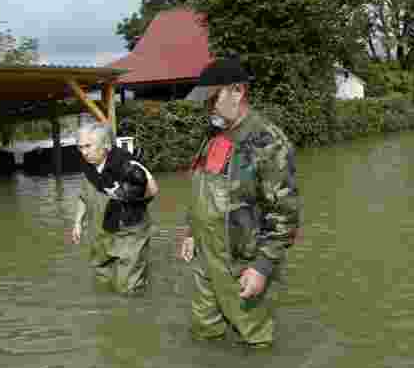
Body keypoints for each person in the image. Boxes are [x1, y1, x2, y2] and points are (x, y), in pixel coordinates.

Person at [178, 57, 301, 347]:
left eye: (213, 98)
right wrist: (191, 231)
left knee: (254, 339)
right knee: (204, 333)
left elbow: (285, 215)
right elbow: (200, 187)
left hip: (242, 265)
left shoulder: (268, 142)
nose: (207, 107)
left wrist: (261, 266)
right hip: (205, 259)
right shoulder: (212, 135)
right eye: (204, 100)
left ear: (238, 91)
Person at [72, 121, 159, 294]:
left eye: (88, 146)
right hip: (103, 230)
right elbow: (84, 195)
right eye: (80, 147)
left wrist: (126, 195)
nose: (83, 152)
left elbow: (153, 189)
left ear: (105, 145)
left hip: (130, 229)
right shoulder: (87, 164)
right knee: (102, 282)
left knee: (128, 288)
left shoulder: (126, 164)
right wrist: (77, 222)